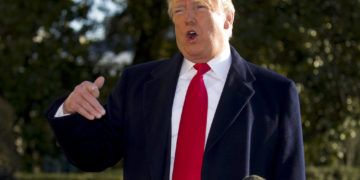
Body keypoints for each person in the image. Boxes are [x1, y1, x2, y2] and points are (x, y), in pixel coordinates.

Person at [46, 0, 306, 179]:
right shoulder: (137, 83)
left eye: (200, 6)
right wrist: (69, 111)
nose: (187, 18)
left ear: (228, 18)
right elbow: (94, 157)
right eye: (178, 10)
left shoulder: (275, 94)